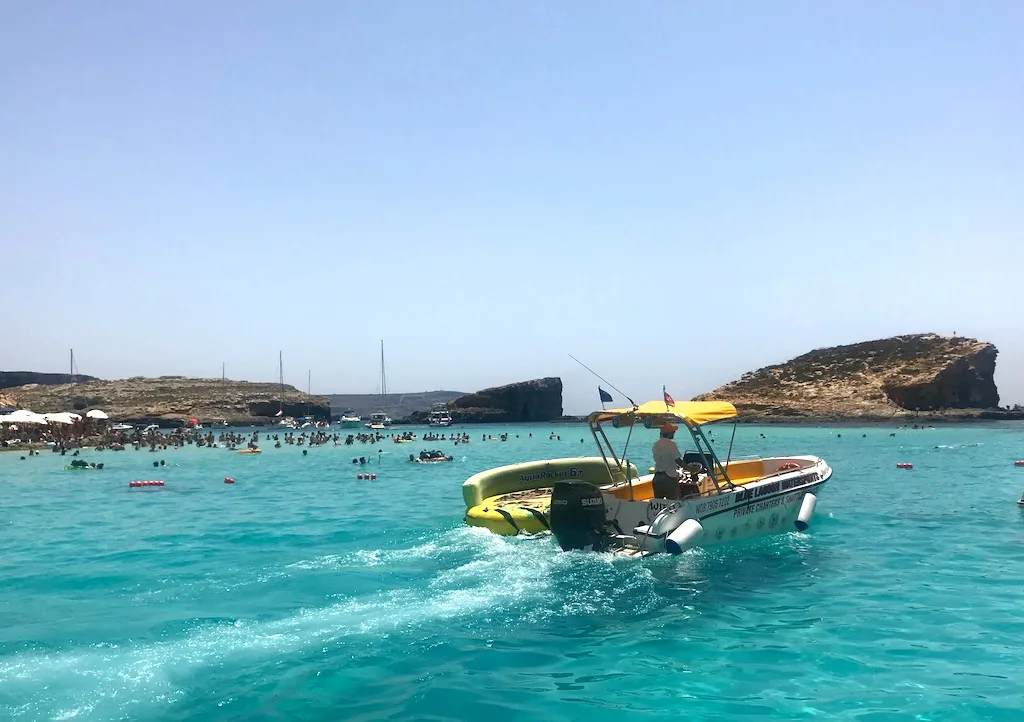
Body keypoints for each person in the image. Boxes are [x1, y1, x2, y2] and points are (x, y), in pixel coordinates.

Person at [651, 423, 684, 499]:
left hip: (657, 478)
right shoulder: (671, 444)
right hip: (668, 478)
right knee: (673, 503)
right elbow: (678, 460)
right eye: (673, 431)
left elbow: (664, 459)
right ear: (669, 433)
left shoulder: (656, 444)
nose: (674, 433)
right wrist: (690, 469)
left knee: (659, 503)